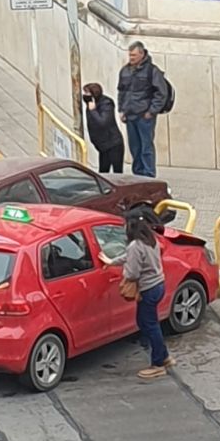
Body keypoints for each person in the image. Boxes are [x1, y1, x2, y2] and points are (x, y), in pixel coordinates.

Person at [100, 214, 174, 380]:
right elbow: (130, 257)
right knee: (146, 323)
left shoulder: (135, 245)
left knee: (149, 325)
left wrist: (124, 273)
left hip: (147, 289)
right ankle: (163, 356)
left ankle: (158, 364)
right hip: (158, 285)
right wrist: (113, 261)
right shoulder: (149, 240)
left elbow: (132, 272)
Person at [117, 41, 168, 179]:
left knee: (146, 147)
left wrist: (151, 111)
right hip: (130, 114)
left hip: (144, 115)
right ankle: (138, 174)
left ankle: (149, 174)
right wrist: (121, 110)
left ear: (142, 53)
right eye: (130, 55)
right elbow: (121, 91)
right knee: (135, 147)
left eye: (134, 55)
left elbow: (161, 93)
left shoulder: (152, 71)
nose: (131, 58)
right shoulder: (125, 71)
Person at [83, 83, 125, 174]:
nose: (85, 96)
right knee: (103, 172)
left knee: (117, 173)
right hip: (102, 146)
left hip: (113, 144)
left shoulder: (106, 104)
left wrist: (93, 110)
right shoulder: (91, 103)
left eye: (87, 93)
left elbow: (103, 122)